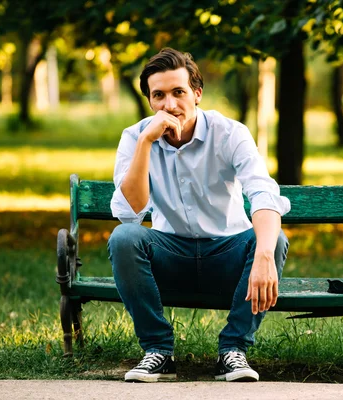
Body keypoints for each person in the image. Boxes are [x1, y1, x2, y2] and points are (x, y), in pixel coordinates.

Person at [107, 47, 290, 383]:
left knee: (272, 239)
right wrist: (146, 143)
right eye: (158, 95)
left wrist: (264, 253)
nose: (169, 105)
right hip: (170, 258)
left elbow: (263, 193)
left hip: (228, 258)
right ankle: (158, 352)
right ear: (149, 100)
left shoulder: (230, 133)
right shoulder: (135, 137)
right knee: (124, 238)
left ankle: (233, 351)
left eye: (178, 93)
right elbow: (130, 214)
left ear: (197, 94)